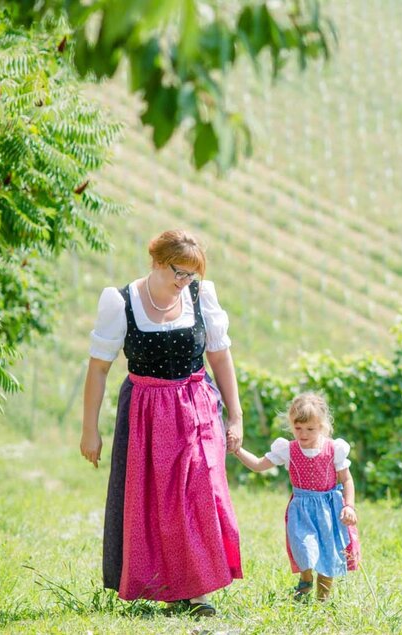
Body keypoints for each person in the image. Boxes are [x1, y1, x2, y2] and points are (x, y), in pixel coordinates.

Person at [80, 229, 243, 616]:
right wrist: (90, 429)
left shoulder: (201, 296)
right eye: (178, 273)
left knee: (202, 493)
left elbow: (220, 358)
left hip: (197, 407)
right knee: (158, 504)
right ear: (156, 262)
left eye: (191, 274)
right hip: (147, 413)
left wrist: (234, 416)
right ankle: (169, 586)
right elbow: (99, 369)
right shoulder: (121, 302)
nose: (185, 282)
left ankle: (200, 592)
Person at [234, 392, 360, 601]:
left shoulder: (333, 448)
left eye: (310, 428)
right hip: (301, 508)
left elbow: (347, 480)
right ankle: (305, 580)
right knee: (303, 547)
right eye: (297, 428)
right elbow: (258, 465)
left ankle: (323, 599)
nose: (303, 433)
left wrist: (349, 506)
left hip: (329, 508)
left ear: (321, 426)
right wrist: (238, 450)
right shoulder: (289, 449)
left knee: (327, 553)